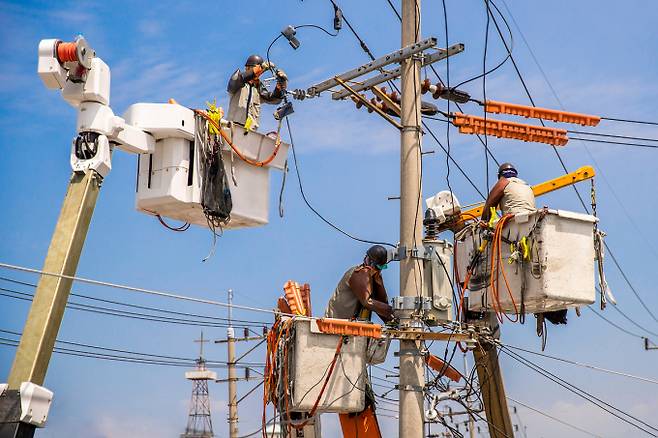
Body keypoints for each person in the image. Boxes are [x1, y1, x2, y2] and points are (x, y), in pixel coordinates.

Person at [324, 245, 394, 322]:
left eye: (381, 268)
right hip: (335, 323)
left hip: (354, 327)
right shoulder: (359, 272)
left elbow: (381, 304)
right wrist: (394, 312)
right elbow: (367, 302)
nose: (378, 270)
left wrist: (393, 321)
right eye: (377, 267)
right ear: (369, 261)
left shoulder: (374, 277)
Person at [226, 54, 288, 131]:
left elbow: (273, 99)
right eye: (256, 69)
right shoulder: (238, 82)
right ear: (247, 68)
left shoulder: (257, 88)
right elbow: (237, 80)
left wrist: (280, 85)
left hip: (250, 132)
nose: (259, 73)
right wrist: (261, 68)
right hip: (233, 127)